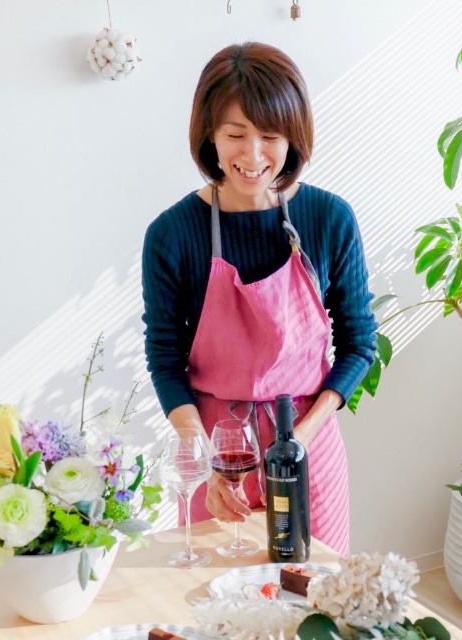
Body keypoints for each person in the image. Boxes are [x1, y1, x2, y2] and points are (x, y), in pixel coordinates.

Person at [142, 42, 377, 556]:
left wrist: (303, 437)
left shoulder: (329, 219)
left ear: (294, 136)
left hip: (308, 443)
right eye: (235, 135)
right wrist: (204, 460)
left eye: (270, 136)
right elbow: (164, 358)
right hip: (216, 452)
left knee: (313, 589)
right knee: (212, 594)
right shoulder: (172, 234)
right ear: (209, 135)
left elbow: (360, 343)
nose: (252, 156)